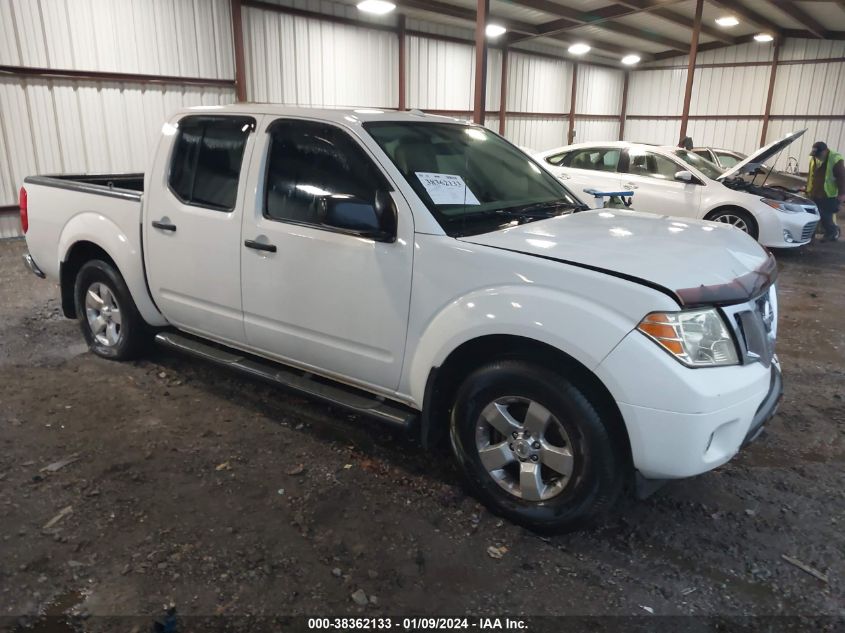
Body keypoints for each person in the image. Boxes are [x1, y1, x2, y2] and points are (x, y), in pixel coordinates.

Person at [806, 141, 845, 242]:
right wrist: (807, 188)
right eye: (815, 155)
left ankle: (832, 232)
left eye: (819, 154)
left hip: (829, 194)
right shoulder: (814, 158)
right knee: (812, 215)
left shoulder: (835, 159)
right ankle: (810, 236)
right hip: (814, 192)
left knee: (825, 216)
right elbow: (811, 175)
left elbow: (842, 178)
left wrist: (842, 194)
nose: (817, 157)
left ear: (825, 151)